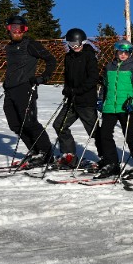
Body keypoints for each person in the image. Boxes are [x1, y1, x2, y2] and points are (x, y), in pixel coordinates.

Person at [2, 14, 57, 166]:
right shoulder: (9, 47)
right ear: (8, 29)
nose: (16, 31)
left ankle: (46, 154)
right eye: (13, 28)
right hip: (10, 90)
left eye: (20, 28)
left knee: (29, 122)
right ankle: (34, 152)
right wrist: (7, 82)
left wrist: (43, 77)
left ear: (25, 30)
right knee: (15, 124)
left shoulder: (30, 45)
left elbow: (51, 60)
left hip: (25, 88)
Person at [94, 40, 133, 179]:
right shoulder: (109, 67)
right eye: (120, 52)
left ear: (130, 54)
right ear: (116, 52)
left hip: (126, 106)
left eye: (126, 53)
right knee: (104, 135)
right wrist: (100, 100)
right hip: (110, 107)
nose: (123, 55)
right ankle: (112, 163)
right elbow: (104, 86)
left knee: (130, 135)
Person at [52, 28, 100, 169]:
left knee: (94, 132)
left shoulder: (89, 56)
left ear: (83, 42)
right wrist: (67, 89)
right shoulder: (68, 57)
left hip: (86, 101)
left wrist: (78, 90)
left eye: (77, 44)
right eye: (71, 44)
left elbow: (93, 78)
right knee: (59, 125)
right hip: (72, 101)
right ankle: (69, 155)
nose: (75, 47)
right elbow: (68, 76)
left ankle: (107, 158)